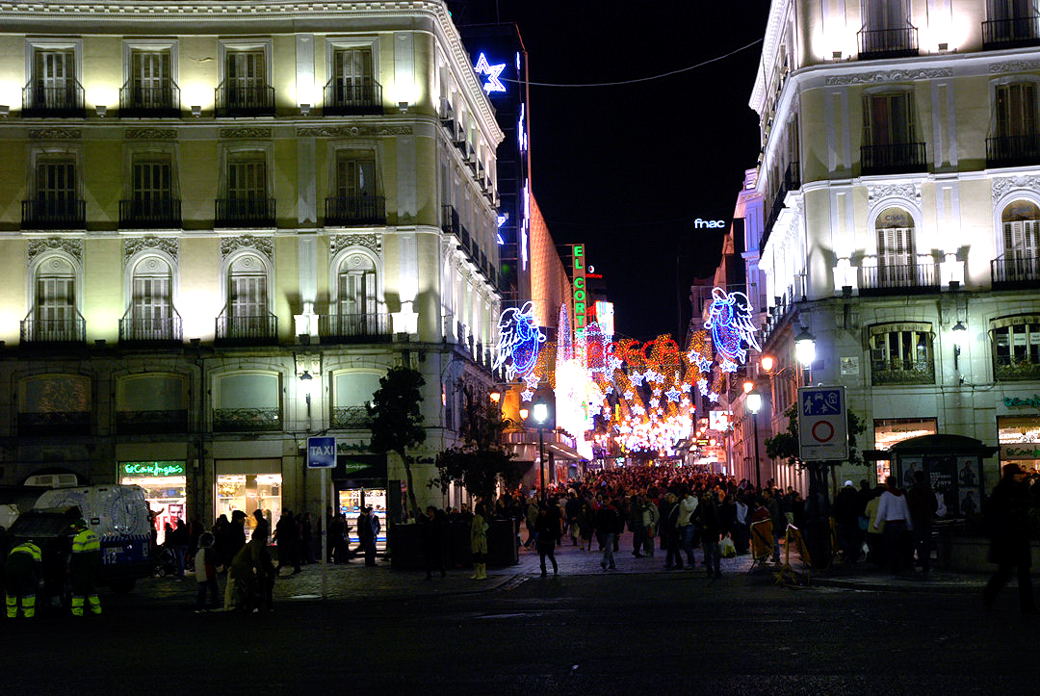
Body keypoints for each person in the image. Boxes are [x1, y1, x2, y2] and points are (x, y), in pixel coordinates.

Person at [983, 464, 1037, 614]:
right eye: (1018, 474)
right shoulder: (1009, 491)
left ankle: (1026, 605)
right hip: (1011, 538)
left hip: (1009, 538)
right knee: (1011, 572)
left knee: (1010, 572)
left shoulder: (1004, 490)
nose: (1021, 476)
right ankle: (1026, 605)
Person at [873, 476, 913, 573]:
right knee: (901, 546)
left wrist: (877, 523)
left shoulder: (885, 495)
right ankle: (902, 565)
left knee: (891, 546)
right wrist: (909, 524)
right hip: (901, 523)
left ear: (887, 483)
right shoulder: (901, 495)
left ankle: (893, 566)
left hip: (891, 524)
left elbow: (881, 511)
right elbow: (906, 510)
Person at [906, 470, 938, 576]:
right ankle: (926, 562)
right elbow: (935, 505)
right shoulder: (929, 490)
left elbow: (909, 506)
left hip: (917, 520)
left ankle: (921, 560)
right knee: (927, 541)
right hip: (927, 519)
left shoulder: (913, 491)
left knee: (918, 541)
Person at [69, 519, 102, 617]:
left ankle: (77, 611)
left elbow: (76, 556)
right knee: (91, 589)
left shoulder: (79, 538)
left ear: (78, 527)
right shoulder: (93, 535)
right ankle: (97, 609)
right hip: (92, 567)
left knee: (78, 590)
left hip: (81, 568)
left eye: (74, 527)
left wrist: (71, 568)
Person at [5, 539, 42, 619]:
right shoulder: (36, 549)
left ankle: (11, 615)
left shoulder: (16, 548)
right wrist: (39, 579)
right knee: (28, 593)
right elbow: (37, 565)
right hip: (25, 570)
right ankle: (28, 615)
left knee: (11, 592)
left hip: (8, 570)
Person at [194, 532, 219, 612]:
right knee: (214, 590)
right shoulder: (209, 551)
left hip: (200, 574)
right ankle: (214, 604)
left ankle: (200, 605)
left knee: (202, 591)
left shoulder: (199, 551)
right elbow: (212, 562)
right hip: (209, 573)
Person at [535, 502, 560, 576]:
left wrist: (550, 531)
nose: (542, 512)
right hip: (542, 539)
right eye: (541, 510)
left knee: (550, 555)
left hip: (549, 539)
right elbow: (536, 527)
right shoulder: (539, 518)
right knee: (542, 556)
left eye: (544, 510)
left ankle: (555, 566)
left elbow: (555, 527)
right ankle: (543, 570)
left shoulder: (551, 517)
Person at [595, 498, 620, 570]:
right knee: (607, 547)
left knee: (608, 546)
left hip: (610, 531)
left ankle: (605, 561)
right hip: (604, 531)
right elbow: (597, 520)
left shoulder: (612, 509)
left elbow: (617, 521)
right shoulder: (601, 510)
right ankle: (612, 563)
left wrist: (617, 531)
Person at [421, 506, 446, 580]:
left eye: (431, 512)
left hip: (436, 542)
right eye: (429, 512)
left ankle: (442, 571)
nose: (429, 513)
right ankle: (429, 573)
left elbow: (440, 531)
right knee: (429, 558)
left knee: (438, 558)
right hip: (429, 542)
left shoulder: (437, 521)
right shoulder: (428, 521)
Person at [274, 510, 300, 576]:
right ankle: (278, 569)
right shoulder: (288, 521)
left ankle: (296, 567)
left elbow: (280, 531)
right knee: (289, 556)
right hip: (287, 541)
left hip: (286, 541)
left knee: (287, 556)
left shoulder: (285, 521)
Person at [470, 504, 489, 580]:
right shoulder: (480, 517)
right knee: (478, 555)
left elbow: (477, 528)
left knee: (478, 555)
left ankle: (480, 573)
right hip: (479, 538)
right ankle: (479, 572)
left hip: (478, 538)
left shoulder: (478, 517)